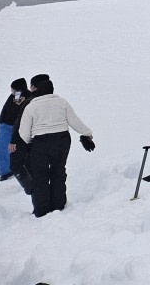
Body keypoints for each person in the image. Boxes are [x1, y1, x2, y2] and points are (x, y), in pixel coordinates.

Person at [18, 75, 94, 219]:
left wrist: (30, 143)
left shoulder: (32, 106)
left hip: (40, 143)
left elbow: (24, 132)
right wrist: (87, 133)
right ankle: (59, 204)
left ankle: (42, 209)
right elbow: (74, 121)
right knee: (58, 172)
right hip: (61, 140)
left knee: (40, 176)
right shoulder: (62, 102)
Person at [0, 77, 29, 181]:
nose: (12, 92)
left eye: (13, 90)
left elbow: (16, 112)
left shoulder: (23, 96)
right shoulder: (15, 96)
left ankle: (7, 171)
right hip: (5, 125)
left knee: (2, 148)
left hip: (11, 126)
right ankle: (7, 170)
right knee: (2, 148)